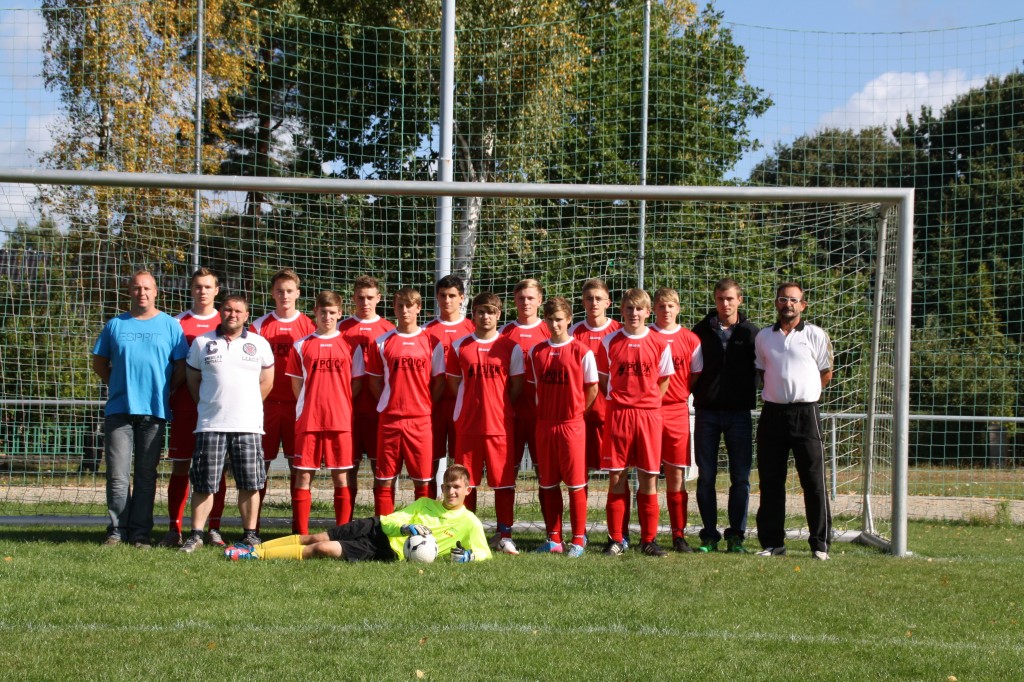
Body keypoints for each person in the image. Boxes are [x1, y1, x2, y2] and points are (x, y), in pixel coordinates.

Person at [91, 270, 188, 548]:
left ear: (156, 292)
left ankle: (140, 532)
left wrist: (166, 389)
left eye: (147, 288)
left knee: (146, 475)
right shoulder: (115, 325)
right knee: (118, 475)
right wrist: (118, 383)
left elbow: (181, 367)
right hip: (119, 410)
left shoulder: (170, 326)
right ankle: (117, 530)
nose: (141, 293)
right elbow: (99, 362)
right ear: (129, 292)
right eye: (136, 288)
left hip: (154, 411)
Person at [224, 464, 492, 563]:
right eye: (447, 486)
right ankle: (255, 551)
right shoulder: (425, 504)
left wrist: (470, 556)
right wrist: (405, 527)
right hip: (378, 525)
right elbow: (398, 516)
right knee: (312, 536)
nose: (451, 492)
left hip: (390, 550)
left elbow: (485, 552)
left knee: (323, 549)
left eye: (457, 487)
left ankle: (255, 557)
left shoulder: (469, 522)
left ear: (468, 490)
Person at [180, 295, 275, 553]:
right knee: (204, 483)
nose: (232, 314)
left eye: (238, 311)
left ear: (246, 315)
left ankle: (250, 534)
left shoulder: (259, 343)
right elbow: (193, 381)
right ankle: (197, 534)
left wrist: (248, 405)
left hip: (248, 425)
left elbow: (267, 382)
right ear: (220, 312)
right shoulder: (202, 343)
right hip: (211, 424)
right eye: (228, 309)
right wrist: (213, 404)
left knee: (250, 482)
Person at [754, 282, 834, 560]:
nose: (787, 304)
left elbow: (826, 372)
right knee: (770, 480)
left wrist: (804, 394)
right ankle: (773, 543)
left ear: (803, 305)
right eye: (782, 299)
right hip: (772, 414)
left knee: (813, 481)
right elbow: (763, 372)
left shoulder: (815, 334)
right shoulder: (764, 337)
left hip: (806, 414)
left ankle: (820, 544)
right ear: (776, 303)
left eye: (793, 299)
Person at [596, 288, 674, 557]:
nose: (634, 313)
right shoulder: (609, 341)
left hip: (649, 416)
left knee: (648, 477)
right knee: (617, 476)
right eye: (629, 308)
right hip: (618, 414)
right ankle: (616, 539)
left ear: (647, 312)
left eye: (639, 309)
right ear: (622, 310)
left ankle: (648, 540)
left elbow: (664, 379)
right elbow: (603, 378)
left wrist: (646, 401)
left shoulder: (659, 343)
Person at [446, 292, 525, 555]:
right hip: (468, 425)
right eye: (480, 311)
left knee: (503, 483)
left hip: (499, 426)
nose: (485, 316)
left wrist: (497, 407)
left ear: (499, 315)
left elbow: (515, 387)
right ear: (474, 314)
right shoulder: (460, 346)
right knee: (467, 483)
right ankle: (467, 533)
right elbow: (454, 383)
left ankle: (504, 535)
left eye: (490, 311)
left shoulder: (510, 347)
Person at [691, 278, 761, 553]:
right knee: (706, 476)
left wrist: (745, 392)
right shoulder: (699, 331)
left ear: (739, 300)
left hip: (739, 414)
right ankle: (709, 535)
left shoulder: (752, 333)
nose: (725, 303)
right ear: (715, 300)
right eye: (720, 298)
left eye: (730, 298)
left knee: (740, 478)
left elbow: (762, 370)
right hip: (706, 412)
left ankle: (736, 536)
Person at [286, 291, 364, 534]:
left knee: (341, 478)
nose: (327, 317)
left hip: (340, 422)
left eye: (332, 313)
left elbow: (356, 383)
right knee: (303, 477)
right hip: (309, 421)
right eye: (323, 312)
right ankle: (301, 534)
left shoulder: (350, 346)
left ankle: (341, 533)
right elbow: (297, 384)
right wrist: (311, 404)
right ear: (315, 313)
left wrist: (338, 403)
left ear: (340, 314)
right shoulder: (301, 345)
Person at [527, 297, 599, 557]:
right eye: (550, 319)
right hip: (545, 424)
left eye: (559, 319)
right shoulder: (538, 352)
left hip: (572, 425)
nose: (555, 324)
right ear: (545, 321)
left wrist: (578, 410)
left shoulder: (582, 351)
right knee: (547, 483)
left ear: (569, 319)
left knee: (576, 483)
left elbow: (592, 388)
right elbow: (535, 388)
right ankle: (554, 539)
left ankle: (579, 539)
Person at [365, 287, 444, 515]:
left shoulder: (432, 341)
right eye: (399, 306)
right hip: (390, 420)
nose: (404, 310)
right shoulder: (381, 342)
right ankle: (384, 529)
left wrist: (425, 405)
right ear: (394, 308)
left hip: (420, 421)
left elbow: (438, 382)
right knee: (385, 478)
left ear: (418, 308)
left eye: (409, 305)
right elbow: (375, 382)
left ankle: (423, 527)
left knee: (423, 480)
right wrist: (392, 402)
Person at [160, 267, 224, 548]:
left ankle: (214, 528)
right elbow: (171, 365)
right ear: (192, 289)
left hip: (218, 409)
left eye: (208, 287)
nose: (202, 291)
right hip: (186, 407)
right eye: (198, 286)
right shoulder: (177, 323)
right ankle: (175, 528)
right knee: (181, 466)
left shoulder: (228, 320)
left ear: (216, 290)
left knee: (217, 469)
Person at [250, 269, 315, 531]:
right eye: (279, 291)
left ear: (298, 293)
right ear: (272, 293)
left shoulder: (309, 326)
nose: (284, 295)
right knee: (258, 469)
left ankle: (298, 529)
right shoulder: (259, 326)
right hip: (264, 407)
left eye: (289, 291)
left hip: (296, 408)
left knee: (298, 468)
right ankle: (251, 527)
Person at [569, 278, 627, 542]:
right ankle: (579, 534)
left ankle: (619, 534)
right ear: (583, 302)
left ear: (608, 302)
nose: (594, 303)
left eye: (598, 298)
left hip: (613, 417)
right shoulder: (573, 332)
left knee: (618, 476)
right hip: (580, 418)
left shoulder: (620, 331)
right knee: (579, 476)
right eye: (589, 298)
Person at [650, 287, 702, 553]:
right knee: (647, 475)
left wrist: (677, 394)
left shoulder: (691, 340)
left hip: (676, 411)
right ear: (654, 309)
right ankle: (648, 536)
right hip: (648, 411)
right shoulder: (645, 336)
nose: (666, 310)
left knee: (676, 475)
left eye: (671, 306)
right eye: (661, 306)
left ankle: (678, 535)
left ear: (678, 308)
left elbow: (694, 377)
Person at [338, 275, 396, 503]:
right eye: (360, 298)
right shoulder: (340, 328)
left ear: (378, 298)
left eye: (370, 297)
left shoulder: (389, 330)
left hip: (378, 412)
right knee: (346, 467)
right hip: (347, 412)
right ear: (353, 298)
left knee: (381, 470)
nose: (365, 303)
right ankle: (347, 522)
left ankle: (380, 521)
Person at [423, 275, 475, 498]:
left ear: (462, 298)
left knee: (461, 463)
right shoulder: (425, 331)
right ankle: (429, 509)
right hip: (432, 406)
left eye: (452, 295)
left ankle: (460, 512)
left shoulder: (473, 329)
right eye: (443, 295)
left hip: (462, 407)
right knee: (428, 463)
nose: (447, 300)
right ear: (437, 297)